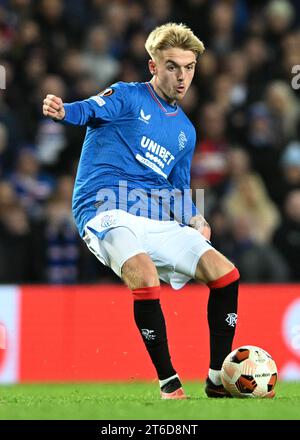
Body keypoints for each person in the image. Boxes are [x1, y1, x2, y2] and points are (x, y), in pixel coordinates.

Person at [42, 22, 242, 400]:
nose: (182, 76)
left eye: (189, 67)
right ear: (153, 67)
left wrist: (196, 218)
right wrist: (62, 110)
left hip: (152, 212)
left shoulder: (185, 130)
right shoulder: (126, 96)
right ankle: (169, 383)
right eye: (172, 66)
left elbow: (178, 188)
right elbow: (87, 109)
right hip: (104, 206)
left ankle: (217, 379)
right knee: (145, 275)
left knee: (226, 275)